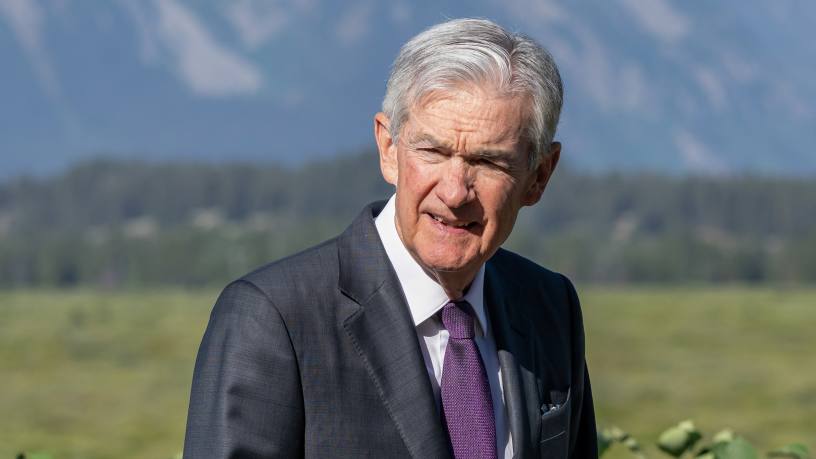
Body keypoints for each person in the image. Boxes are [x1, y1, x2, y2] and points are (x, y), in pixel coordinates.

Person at [183, 18, 597, 459]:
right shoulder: (274, 318)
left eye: (488, 161)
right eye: (433, 151)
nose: (455, 192)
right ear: (388, 149)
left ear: (539, 176)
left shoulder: (550, 308)